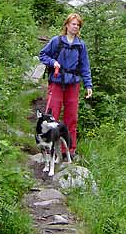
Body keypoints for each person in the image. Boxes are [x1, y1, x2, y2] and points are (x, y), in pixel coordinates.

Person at [39, 13, 92, 159]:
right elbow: (42, 55)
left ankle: (69, 149)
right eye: (73, 24)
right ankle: (48, 147)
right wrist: (52, 62)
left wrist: (88, 85)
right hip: (56, 82)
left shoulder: (81, 45)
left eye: (78, 25)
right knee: (51, 116)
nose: (75, 27)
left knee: (71, 117)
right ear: (67, 25)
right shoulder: (56, 41)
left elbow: (85, 66)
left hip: (73, 84)